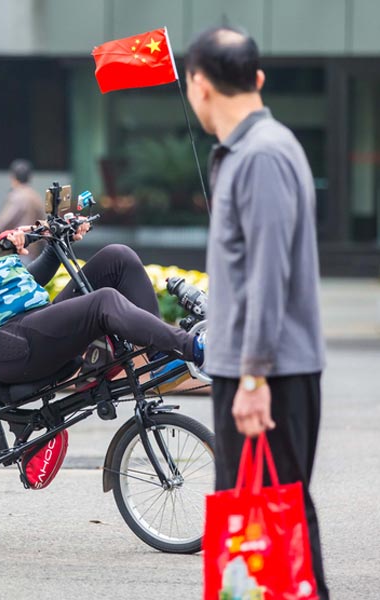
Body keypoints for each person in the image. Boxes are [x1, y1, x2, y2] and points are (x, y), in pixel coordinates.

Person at [185, 27, 328, 598]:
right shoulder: (250, 150)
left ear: (199, 85)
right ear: (258, 79)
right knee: (268, 518)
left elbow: (269, 274)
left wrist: (252, 377)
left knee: (278, 516)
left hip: (267, 374)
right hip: (258, 369)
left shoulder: (262, 155)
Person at [0, 133, 203, 387]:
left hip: (36, 323)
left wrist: (57, 243)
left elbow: (29, 281)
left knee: (116, 257)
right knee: (103, 301)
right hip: (7, 346)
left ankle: (159, 357)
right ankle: (193, 347)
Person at [0, 159, 46, 260]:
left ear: (13, 177)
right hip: (32, 250)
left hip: (17, 248)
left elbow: (4, 222)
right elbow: (42, 224)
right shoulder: (35, 196)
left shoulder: (16, 196)